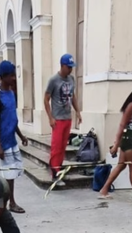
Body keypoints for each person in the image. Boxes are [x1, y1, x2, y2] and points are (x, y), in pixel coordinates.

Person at [97, 82, 132, 204]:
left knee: (121, 166)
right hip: (130, 141)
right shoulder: (131, 106)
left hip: (129, 139)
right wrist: (116, 144)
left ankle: (104, 190)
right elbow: (122, 125)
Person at [0, 60, 28, 214]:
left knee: (14, 173)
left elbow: (12, 119)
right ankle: (10, 203)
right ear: (4, 77)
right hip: (5, 143)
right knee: (9, 176)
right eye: (11, 75)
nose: (14, 78)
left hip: (12, 140)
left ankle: (7, 201)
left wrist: (21, 136)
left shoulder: (12, 93)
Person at [45, 53, 82, 186]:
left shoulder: (71, 79)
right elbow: (46, 98)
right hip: (58, 119)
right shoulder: (54, 80)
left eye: (72, 67)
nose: (71, 69)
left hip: (67, 118)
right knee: (56, 147)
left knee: (63, 147)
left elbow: (73, 97)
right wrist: (50, 118)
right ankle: (54, 174)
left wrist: (78, 112)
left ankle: (59, 171)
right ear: (62, 66)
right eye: (69, 67)